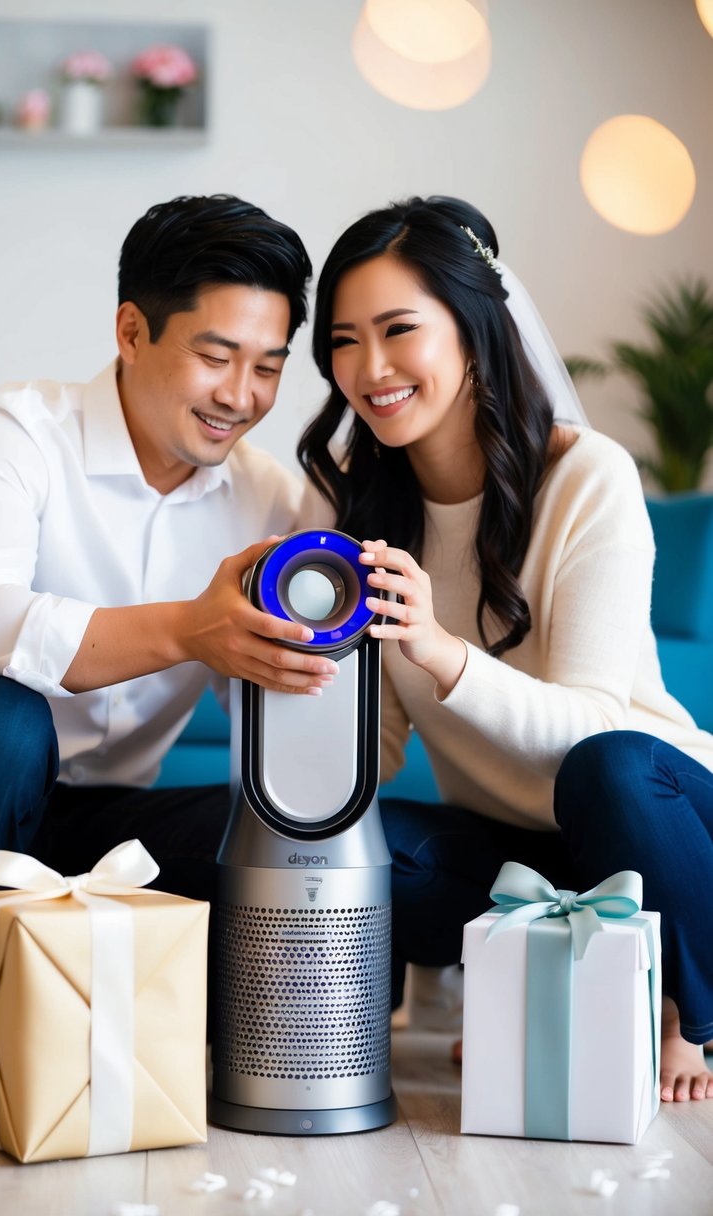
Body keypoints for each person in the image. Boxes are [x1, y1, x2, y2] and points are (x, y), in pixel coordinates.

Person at [0, 193, 340, 1148]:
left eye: (268, 367)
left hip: (102, 838)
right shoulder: (9, 431)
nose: (241, 396)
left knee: (278, 831)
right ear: (131, 330)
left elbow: (282, 708)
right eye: (215, 357)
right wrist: (188, 628)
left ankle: (240, 1023)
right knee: (5, 721)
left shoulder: (272, 497)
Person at [297, 194, 713, 1105]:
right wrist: (278, 666)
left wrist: (443, 652)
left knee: (606, 770)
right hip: (516, 855)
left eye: (398, 330)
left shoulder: (585, 476)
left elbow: (595, 727)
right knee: (350, 848)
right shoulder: (351, 507)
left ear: (475, 332)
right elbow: (377, 750)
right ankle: (530, 981)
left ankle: (687, 1006)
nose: (368, 369)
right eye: (341, 340)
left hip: (654, 820)